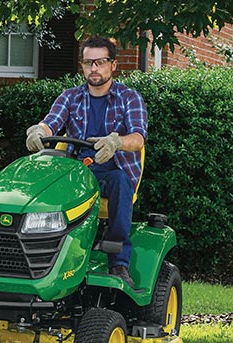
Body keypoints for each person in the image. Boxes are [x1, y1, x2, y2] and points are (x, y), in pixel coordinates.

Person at [25, 36, 147, 287]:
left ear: (113, 65)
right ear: (82, 65)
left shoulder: (129, 98)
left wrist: (116, 142)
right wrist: (38, 131)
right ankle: (39, 258)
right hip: (76, 171)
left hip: (111, 172)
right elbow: (51, 123)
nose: (94, 68)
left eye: (100, 62)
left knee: (121, 182)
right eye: (88, 62)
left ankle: (119, 263)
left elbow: (138, 138)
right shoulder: (70, 97)